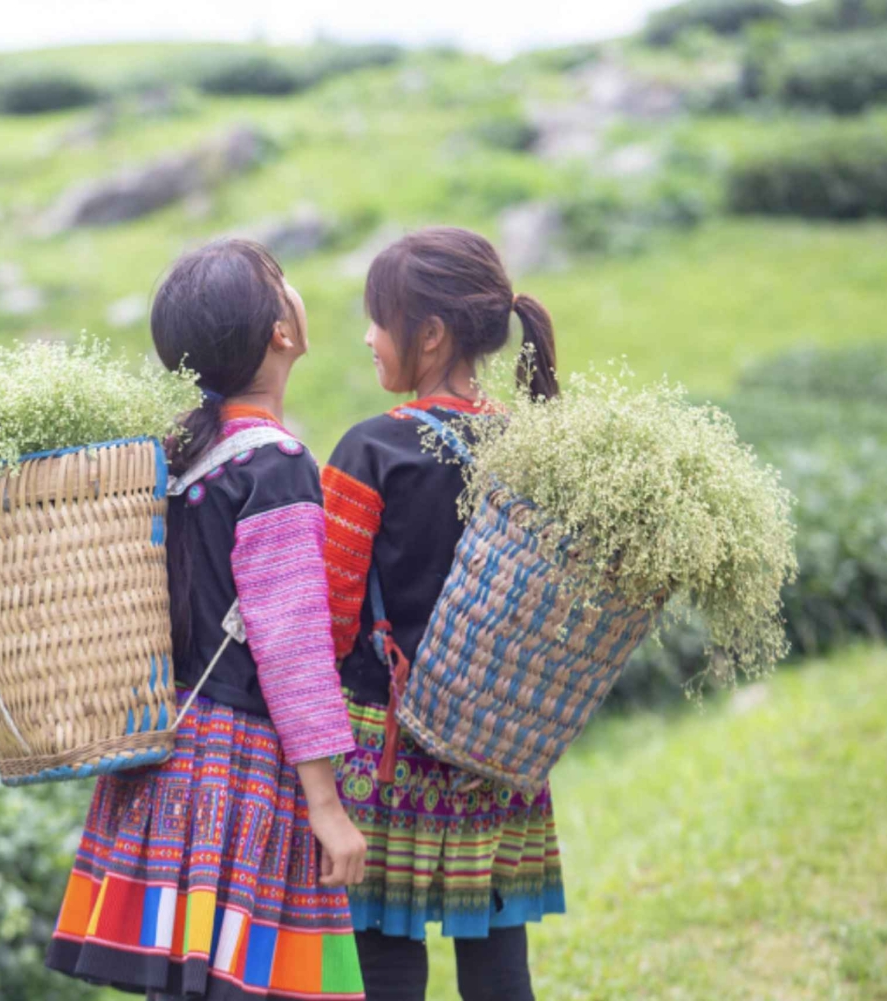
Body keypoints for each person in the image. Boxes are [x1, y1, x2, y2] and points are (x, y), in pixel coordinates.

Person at [46, 239, 368, 1001]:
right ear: (280, 334)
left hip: (167, 758)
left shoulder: (179, 461)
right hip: (237, 767)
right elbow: (292, 646)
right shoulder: (275, 466)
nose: (294, 291)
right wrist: (327, 807)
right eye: (282, 283)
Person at [320, 228, 565, 1001]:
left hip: (389, 748)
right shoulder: (531, 446)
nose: (366, 336)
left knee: (386, 954)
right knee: (497, 955)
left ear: (429, 335)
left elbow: (330, 621)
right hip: (497, 745)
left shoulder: (370, 453)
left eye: (378, 318)